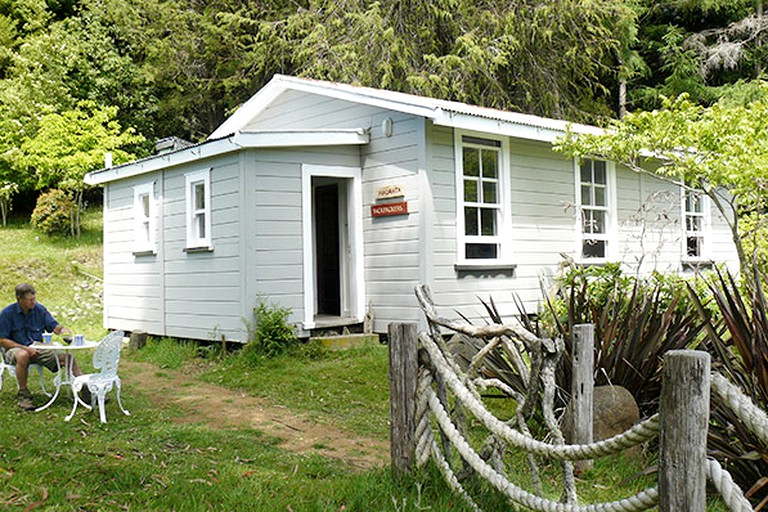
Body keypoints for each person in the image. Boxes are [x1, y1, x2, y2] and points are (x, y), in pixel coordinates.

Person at [0, 283, 90, 410]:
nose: (33, 302)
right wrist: (26, 349)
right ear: (19, 298)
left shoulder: (39, 309)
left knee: (68, 358)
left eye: (34, 298)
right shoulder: (7, 314)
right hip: (15, 348)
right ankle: (23, 395)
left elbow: (53, 326)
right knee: (23, 355)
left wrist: (63, 330)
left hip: (38, 348)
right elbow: (2, 340)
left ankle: (86, 391)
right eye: (30, 300)